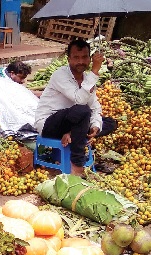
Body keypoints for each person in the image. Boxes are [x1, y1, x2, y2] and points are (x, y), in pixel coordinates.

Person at [34, 39, 118, 176]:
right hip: (49, 124)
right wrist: (95, 71)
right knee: (83, 110)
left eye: (84, 57)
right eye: (76, 57)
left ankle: (73, 134)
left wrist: (95, 126)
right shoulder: (60, 75)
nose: (80, 61)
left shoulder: (87, 79)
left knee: (109, 122)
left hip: (74, 122)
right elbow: (80, 100)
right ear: (69, 59)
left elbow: (95, 108)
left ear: (90, 59)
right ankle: (77, 166)